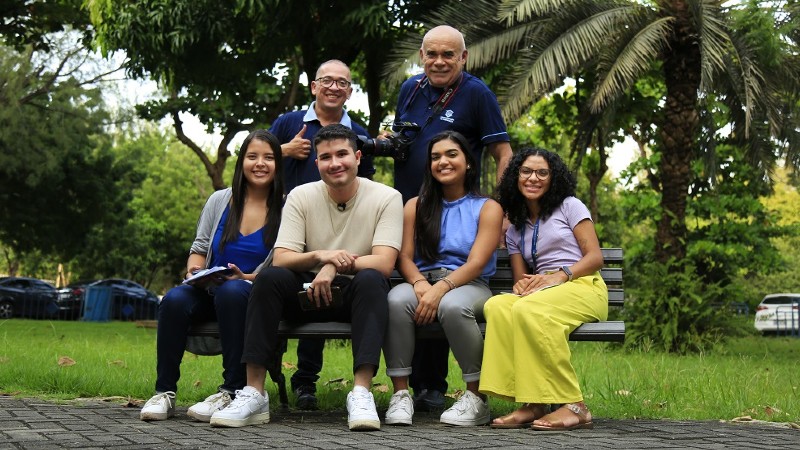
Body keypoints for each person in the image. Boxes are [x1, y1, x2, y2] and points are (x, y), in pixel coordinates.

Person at [209, 124, 403, 430]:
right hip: (304, 290)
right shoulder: (301, 195)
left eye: (342, 154)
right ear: (317, 164)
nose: (335, 163)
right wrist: (321, 257)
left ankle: (361, 392)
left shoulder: (387, 197)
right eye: (326, 157)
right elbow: (284, 256)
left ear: (358, 156)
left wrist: (335, 266)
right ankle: (254, 393)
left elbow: (384, 261)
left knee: (372, 280)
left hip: (353, 291)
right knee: (269, 278)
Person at [389, 24, 513, 412]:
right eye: (431, 54)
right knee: (407, 298)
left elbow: (503, 153)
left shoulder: (476, 93)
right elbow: (401, 143)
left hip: (462, 218)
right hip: (416, 208)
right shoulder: (410, 89)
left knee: (445, 298)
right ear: (422, 56)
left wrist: (502, 208)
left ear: (464, 58)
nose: (439, 61)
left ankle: (447, 389)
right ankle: (413, 392)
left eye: (448, 54)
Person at [140, 130, 284, 422]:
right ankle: (164, 393)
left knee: (233, 292)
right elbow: (199, 248)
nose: (260, 163)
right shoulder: (220, 200)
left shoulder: (287, 206)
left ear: (278, 165)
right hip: (208, 289)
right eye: (252, 156)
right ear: (241, 162)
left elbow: (283, 268)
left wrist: (246, 278)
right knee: (174, 299)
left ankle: (231, 391)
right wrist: (195, 271)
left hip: (250, 295)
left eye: (269, 158)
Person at [269, 59, 376, 410]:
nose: (333, 87)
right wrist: (284, 150)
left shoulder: (357, 132)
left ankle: (306, 382)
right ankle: (268, 371)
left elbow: (365, 184)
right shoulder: (289, 123)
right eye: (326, 81)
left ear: (349, 91)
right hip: (292, 226)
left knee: (320, 293)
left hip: (338, 229)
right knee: (279, 288)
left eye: (342, 82)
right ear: (314, 87)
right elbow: (259, 160)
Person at [479, 147, 608, 430]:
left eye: (542, 172)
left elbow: (596, 257)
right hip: (545, 294)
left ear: (553, 178)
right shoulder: (515, 229)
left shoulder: (570, 206)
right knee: (497, 306)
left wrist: (560, 275)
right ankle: (532, 402)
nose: (533, 178)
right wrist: (526, 283)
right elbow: (521, 279)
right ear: (515, 177)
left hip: (583, 285)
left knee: (529, 308)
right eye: (526, 171)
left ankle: (575, 405)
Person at [383, 131, 502, 426]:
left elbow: (477, 262)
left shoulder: (488, 207)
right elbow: (405, 257)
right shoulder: (415, 205)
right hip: (422, 282)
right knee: (395, 300)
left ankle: (476, 398)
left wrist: (442, 289)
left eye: (451, 154)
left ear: (468, 163)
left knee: (452, 306)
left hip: (468, 285)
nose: (443, 162)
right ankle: (400, 396)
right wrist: (421, 284)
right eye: (435, 157)